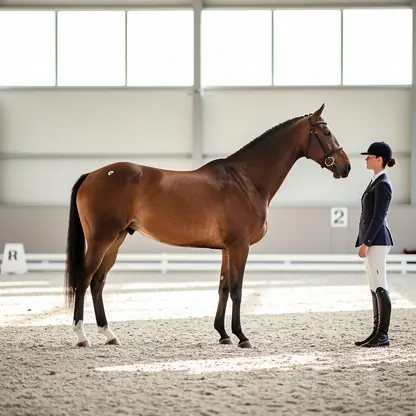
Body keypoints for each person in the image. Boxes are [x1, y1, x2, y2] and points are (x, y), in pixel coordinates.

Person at [355, 141, 395, 348]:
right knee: (373, 286)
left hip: (377, 241)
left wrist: (366, 243)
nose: (366, 158)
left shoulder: (383, 184)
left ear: (379, 159)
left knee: (380, 285)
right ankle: (376, 332)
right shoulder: (375, 181)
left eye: (369, 156)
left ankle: (383, 334)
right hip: (372, 241)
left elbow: (378, 217)